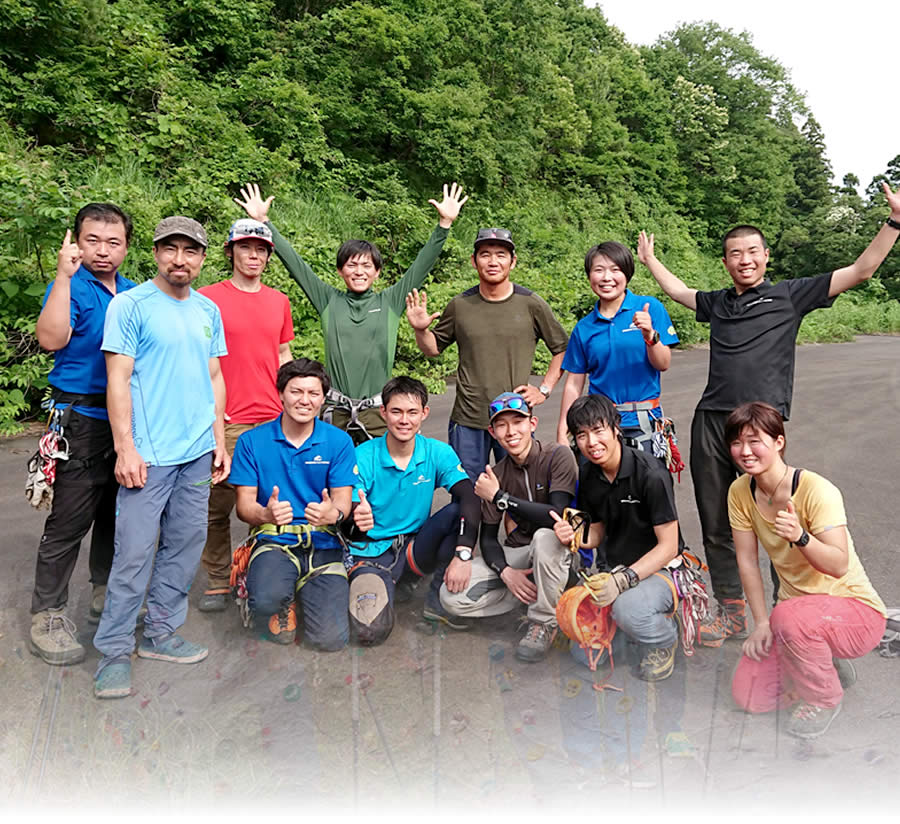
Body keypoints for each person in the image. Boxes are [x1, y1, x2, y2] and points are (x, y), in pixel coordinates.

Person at [638, 181, 900, 645]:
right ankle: (733, 608)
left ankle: (788, 609)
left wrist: (895, 222)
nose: (744, 259)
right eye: (735, 253)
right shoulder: (718, 302)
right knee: (716, 517)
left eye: (752, 251)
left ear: (765, 256)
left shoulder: (790, 296)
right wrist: (650, 261)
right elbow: (680, 292)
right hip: (712, 420)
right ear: (726, 261)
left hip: (760, 424)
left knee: (781, 520)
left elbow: (860, 270)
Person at [94, 216, 229, 699]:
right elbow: (117, 378)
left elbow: (214, 376)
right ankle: (112, 651)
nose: (179, 259)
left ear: (201, 258)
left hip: (196, 453)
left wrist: (219, 437)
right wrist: (125, 447)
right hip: (148, 457)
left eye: (189, 251)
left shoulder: (207, 310)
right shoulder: (131, 306)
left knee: (185, 545)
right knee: (132, 553)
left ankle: (160, 633)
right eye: (170, 249)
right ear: (154, 253)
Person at [234, 182, 467, 444]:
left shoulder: (390, 302)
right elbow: (296, 265)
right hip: (336, 413)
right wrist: (264, 222)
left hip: (378, 413)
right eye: (351, 265)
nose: (359, 271)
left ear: (377, 272)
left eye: (367, 265)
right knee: (333, 481)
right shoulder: (328, 301)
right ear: (340, 271)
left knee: (379, 479)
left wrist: (444, 225)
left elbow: (421, 266)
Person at [725, 402, 886, 739]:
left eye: (755, 441)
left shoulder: (816, 490)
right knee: (749, 695)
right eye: (737, 442)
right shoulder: (739, 492)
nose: (745, 451)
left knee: (790, 616)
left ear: (778, 442)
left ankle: (824, 697)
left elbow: (839, 565)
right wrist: (760, 623)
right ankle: (825, 666)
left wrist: (800, 537)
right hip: (793, 620)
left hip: (855, 613)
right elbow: (747, 561)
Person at [29, 203, 136, 666]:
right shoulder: (71, 285)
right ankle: (47, 613)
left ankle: (103, 593)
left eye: (113, 242)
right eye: (92, 240)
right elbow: (51, 339)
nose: (103, 251)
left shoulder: (134, 293)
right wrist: (63, 276)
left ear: (127, 247)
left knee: (118, 513)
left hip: (128, 420)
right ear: (75, 241)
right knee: (71, 519)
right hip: (81, 418)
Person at [406, 227, 569, 480]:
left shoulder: (531, 303)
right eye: (485, 254)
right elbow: (433, 348)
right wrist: (420, 330)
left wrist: (544, 389)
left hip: (515, 417)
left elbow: (562, 348)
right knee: (469, 497)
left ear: (513, 262)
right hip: (468, 419)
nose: (493, 261)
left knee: (521, 492)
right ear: (474, 261)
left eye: (501, 254)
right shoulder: (461, 305)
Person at [195, 218, 295, 612]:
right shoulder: (206, 299)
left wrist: (293, 405)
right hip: (226, 419)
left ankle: (258, 577)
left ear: (269, 256)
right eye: (245, 248)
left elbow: (284, 355)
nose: (253, 255)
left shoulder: (278, 301)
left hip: (272, 420)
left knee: (268, 507)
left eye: (261, 249)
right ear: (230, 251)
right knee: (216, 508)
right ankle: (218, 579)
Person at [439, 391, 576, 662]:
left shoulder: (557, 456)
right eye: (501, 425)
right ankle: (531, 598)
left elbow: (557, 516)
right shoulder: (496, 475)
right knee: (450, 598)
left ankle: (543, 621)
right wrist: (506, 573)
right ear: (492, 432)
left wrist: (500, 498)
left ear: (532, 424)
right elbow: (489, 540)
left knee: (544, 537)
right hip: (520, 555)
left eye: (518, 422)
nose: (511, 431)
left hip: (559, 553)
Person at [552, 394, 681, 682]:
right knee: (580, 650)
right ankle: (636, 628)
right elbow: (596, 532)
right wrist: (573, 534)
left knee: (628, 610)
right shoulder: (587, 473)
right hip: (612, 571)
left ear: (616, 429)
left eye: (598, 431)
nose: (591, 443)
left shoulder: (651, 474)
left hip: (659, 571)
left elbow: (669, 546)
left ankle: (664, 639)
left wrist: (623, 581)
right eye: (582, 435)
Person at [230, 358, 356, 650]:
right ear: (281, 394)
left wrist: (332, 513)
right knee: (265, 600)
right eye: (296, 392)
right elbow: (243, 506)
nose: (305, 400)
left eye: (313, 393)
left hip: (322, 541)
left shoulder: (338, 442)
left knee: (331, 640)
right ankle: (279, 599)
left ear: (323, 399)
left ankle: (301, 590)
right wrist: (265, 512)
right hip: (275, 538)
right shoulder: (252, 442)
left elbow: (342, 502)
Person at [345, 376, 480, 644]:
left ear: (424, 414)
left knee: (456, 513)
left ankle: (435, 602)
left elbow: (470, 496)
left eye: (412, 412)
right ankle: (390, 582)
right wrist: (354, 514)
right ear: (383, 412)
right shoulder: (363, 455)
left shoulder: (437, 452)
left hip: (415, 548)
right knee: (369, 632)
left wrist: (463, 554)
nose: (404, 420)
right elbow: (346, 516)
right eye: (396, 411)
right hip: (372, 551)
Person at [556, 241, 678, 455]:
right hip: (599, 426)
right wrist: (562, 431)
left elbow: (663, 363)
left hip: (644, 422)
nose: (606, 278)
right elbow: (574, 384)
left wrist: (650, 336)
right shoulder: (584, 328)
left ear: (627, 274)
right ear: (589, 276)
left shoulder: (649, 308)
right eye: (599, 270)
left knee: (651, 485)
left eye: (615, 270)